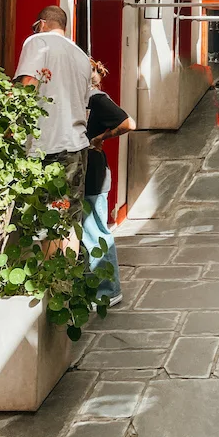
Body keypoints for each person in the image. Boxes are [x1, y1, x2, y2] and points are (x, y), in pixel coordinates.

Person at [15, 5, 92, 253]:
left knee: (49, 220)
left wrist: (12, 125)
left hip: (48, 147)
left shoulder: (38, 41)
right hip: (77, 148)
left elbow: (29, 84)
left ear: (42, 24)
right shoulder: (80, 55)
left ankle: (49, 288)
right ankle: (67, 285)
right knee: (68, 220)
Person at [84, 59, 135, 307]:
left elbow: (128, 123)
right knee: (87, 231)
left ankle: (108, 290)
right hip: (84, 172)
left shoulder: (96, 99)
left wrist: (101, 137)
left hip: (93, 173)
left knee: (95, 230)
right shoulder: (82, 98)